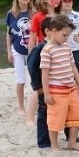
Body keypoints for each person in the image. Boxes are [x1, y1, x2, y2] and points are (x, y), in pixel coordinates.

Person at [40, 14, 79, 151]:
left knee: (77, 114)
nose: (66, 39)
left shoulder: (67, 47)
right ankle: (54, 145)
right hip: (56, 91)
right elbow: (45, 73)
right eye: (64, 35)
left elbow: (73, 66)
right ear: (53, 31)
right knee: (56, 118)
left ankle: (72, 142)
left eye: (68, 36)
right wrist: (46, 93)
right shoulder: (47, 50)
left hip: (71, 88)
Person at [6, 0, 36, 121]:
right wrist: (9, 51)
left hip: (31, 50)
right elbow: (8, 33)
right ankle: (21, 106)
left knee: (35, 79)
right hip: (17, 49)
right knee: (21, 79)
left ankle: (36, 105)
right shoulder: (11, 14)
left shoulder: (34, 13)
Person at [27, 17, 53, 148]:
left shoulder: (59, 46)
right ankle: (43, 141)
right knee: (43, 113)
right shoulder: (40, 48)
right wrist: (37, 86)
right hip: (43, 86)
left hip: (57, 85)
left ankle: (68, 135)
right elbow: (32, 66)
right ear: (48, 31)